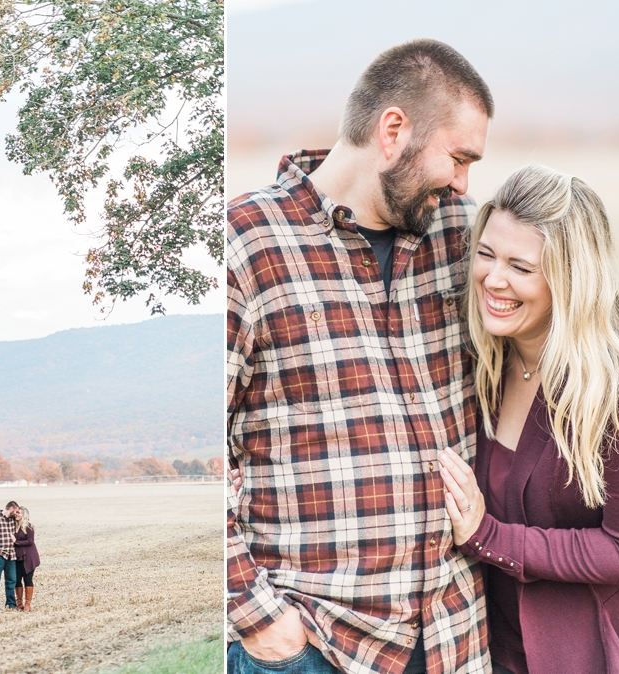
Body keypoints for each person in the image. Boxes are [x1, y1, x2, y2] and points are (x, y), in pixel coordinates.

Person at [227, 39, 494, 674]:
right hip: (317, 644)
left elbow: (574, 312)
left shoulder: (466, 236)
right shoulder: (245, 246)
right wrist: (260, 619)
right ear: (394, 130)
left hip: (455, 639)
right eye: (458, 158)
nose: (465, 181)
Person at [439, 164, 619, 674]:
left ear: (571, 278)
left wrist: (487, 536)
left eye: (520, 267)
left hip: (597, 654)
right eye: (485, 255)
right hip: (497, 650)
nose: (493, 280)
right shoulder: (485, 361)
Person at [13, 506, 41, 612]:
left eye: (18, 513)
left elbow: (30, 541)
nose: (16, 514)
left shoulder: (28, 526)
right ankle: (19, 604)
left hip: (29, 557)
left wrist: (16, 542)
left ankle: (27, 604)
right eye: (15, 513)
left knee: (27, 579)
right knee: (17, 580)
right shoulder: (13, 526)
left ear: (24, 514)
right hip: (17, 557)